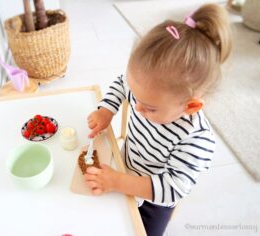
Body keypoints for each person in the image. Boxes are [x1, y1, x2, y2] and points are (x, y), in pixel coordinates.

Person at [85, 3, 232, 236]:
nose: (136, 105)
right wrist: (107, 110)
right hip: (125, 167)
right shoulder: (146, 91)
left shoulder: (196, 139)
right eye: (136, 95)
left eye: (150, 108)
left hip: (154, 200)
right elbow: (123, 84)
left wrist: (117, 182)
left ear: (190, 106)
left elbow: (172, 188)